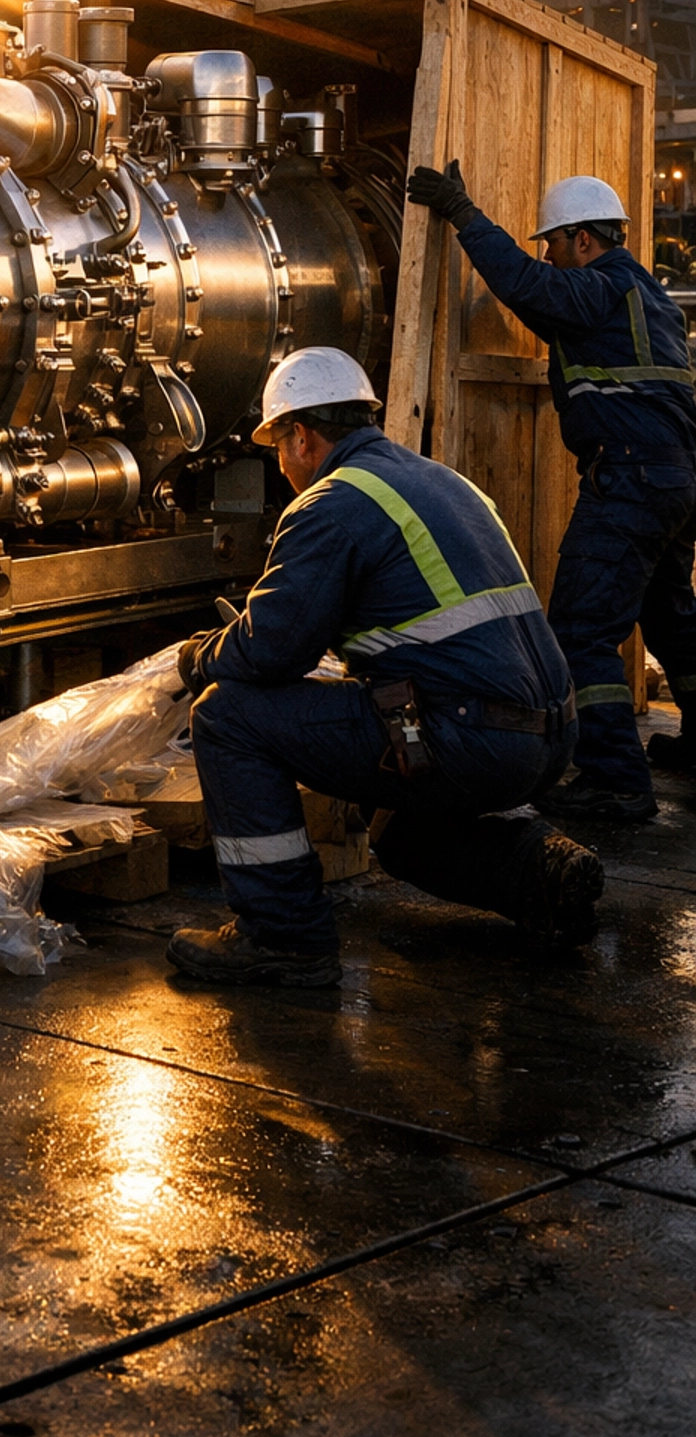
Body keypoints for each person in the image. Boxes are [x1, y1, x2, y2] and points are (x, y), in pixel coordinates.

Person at [166, 347, 600, 990]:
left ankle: (283, 938)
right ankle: (544, 876)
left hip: (474, 738)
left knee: (228, 717)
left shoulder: (331, 503)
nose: (282, 465)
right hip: (551, 737)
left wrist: (200, 655)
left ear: (302, 437)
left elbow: (269, 652)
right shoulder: (443, 481)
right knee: (398, 835)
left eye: (278, 446)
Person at [407, 164, 696, 825]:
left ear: (584, 239)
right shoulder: (645, 297)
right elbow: (545, 303)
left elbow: (525, 285)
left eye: (555, 244)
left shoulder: (599, 287)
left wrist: (463, 212)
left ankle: (617, 782)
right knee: (675, 622)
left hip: (630, 480)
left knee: (581, 632)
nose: (550, 257)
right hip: (675, 481)